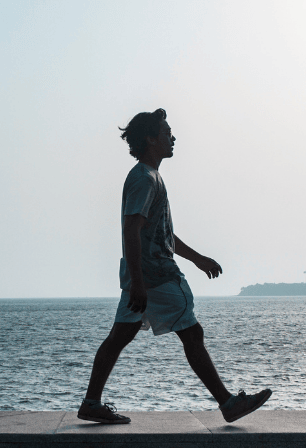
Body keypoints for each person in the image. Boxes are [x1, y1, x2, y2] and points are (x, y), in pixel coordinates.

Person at [77, 108, 271, 424]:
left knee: (119, 337)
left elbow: (160, 231)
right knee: (192, 333)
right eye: (167, 132)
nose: (173, 137)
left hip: (143, 277)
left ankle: (90, 403)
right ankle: (228, 403)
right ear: (152, 139)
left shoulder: (148, 176)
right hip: (157, 277)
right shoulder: (144, 178)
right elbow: (131, 230)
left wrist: (196, 258)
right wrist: (140, 282)